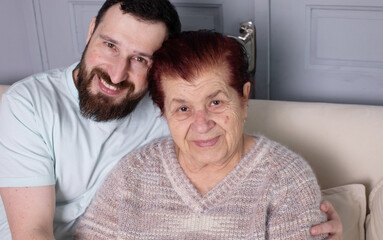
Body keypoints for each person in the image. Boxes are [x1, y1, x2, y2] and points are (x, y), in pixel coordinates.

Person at [0, 1, 342, 239]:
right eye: (110, 45)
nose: (117, 73)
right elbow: (32, 233)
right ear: (91, 30)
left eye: (140, 58)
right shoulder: (29, 104)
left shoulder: (169, 107)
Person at [74, 30, 332, 239]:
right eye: (183, 108)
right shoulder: (133, 173)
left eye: (216, 103)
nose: (201, 124)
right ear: (163, 111)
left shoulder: (286, 178)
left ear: (243, 97)